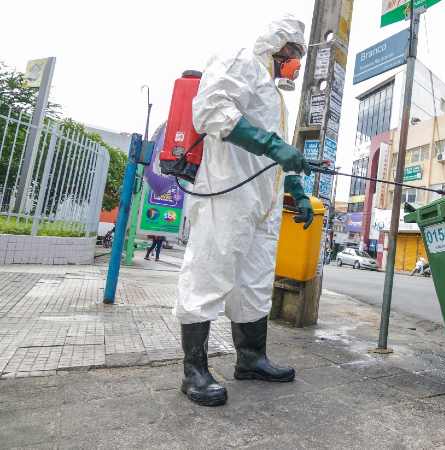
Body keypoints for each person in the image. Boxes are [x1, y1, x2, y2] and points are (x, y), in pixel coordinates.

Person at [173, 15, 314, 407]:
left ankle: (251, 360)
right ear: (277, 46)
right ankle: (194, 371)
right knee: (209, 273)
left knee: (254, 283)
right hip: (227, 192)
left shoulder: (276, 98)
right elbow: (211, 111)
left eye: (300, 54)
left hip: (262, 204)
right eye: (293, 52)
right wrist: (274, 147)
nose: (296, 61)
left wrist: (298, 192)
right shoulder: (241, 62)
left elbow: (282, 152)